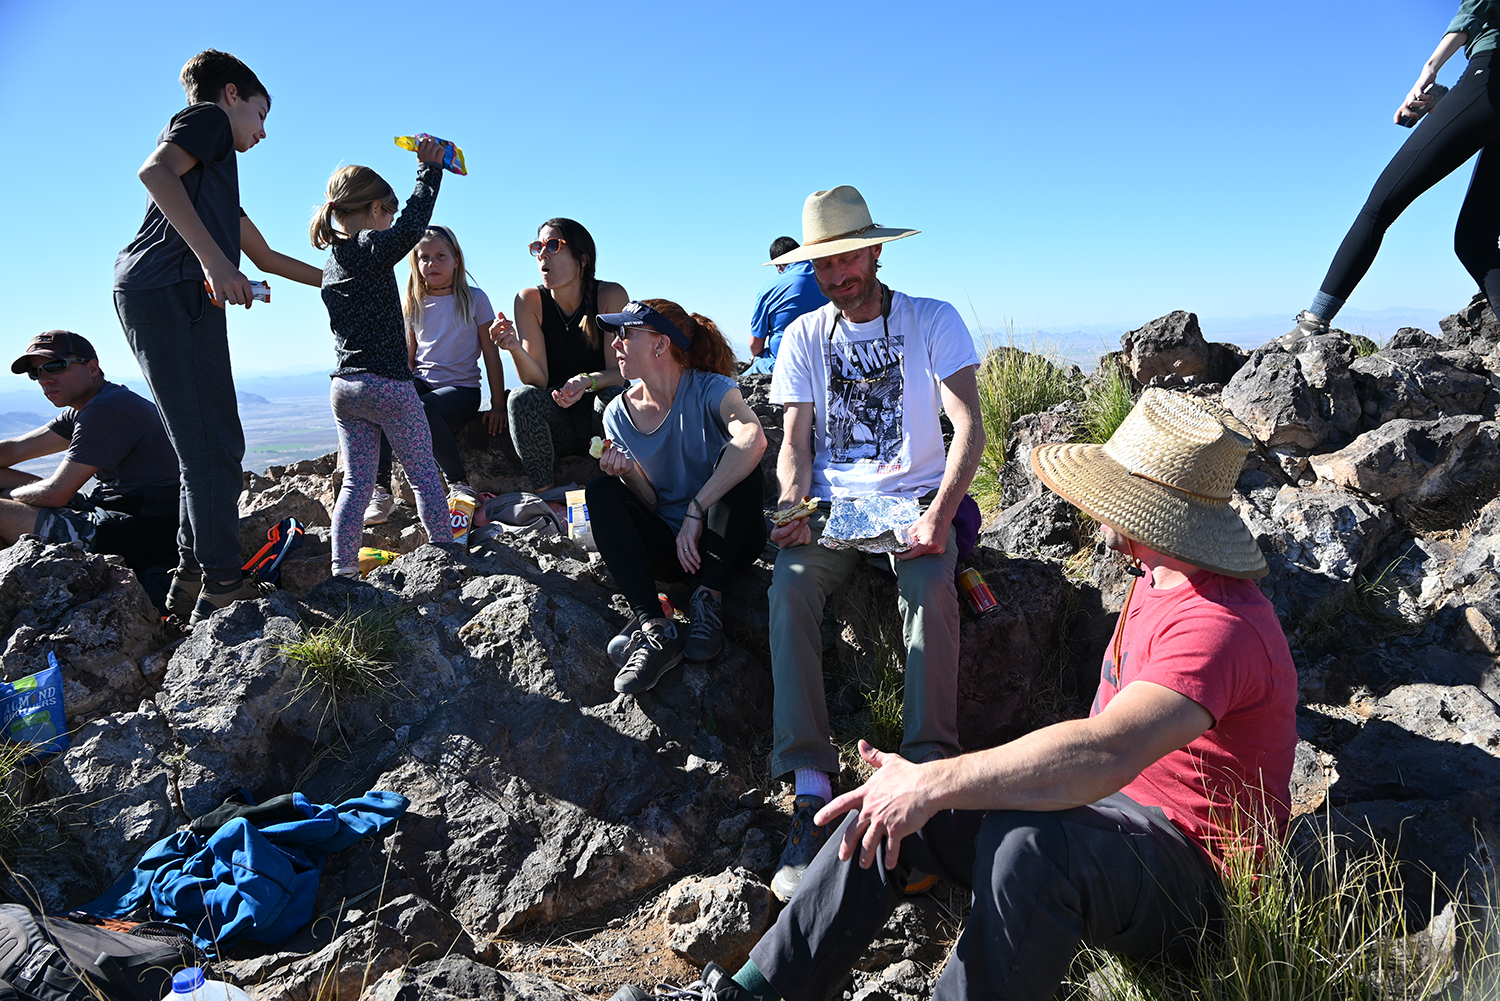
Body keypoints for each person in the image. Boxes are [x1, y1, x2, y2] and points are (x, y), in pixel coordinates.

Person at [612, 389, 1298, 1001]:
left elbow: (1107, 749)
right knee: (893, 802)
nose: (1095, 504)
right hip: (1112, 826)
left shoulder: (1219, 624)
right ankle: (757, 992)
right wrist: (922, 787)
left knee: (1028, 840)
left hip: (1197, 887)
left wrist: (942, 779)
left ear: (1155, 511)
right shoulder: (1159, 575)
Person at [760, 185, 984, 902]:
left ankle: (923, 780)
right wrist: (791, 507)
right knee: (790, 582)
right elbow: (794, 439)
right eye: (823, 265)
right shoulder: (801, 337)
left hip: (914, 499)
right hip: (835, 506)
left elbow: (969, 424)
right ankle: (810, 784)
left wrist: (940, 516)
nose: (836, 276)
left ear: (877, 248)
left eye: (847, 257)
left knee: (927, 586)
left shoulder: (931, 321)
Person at [113, 49, 324, 625]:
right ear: (231, 94)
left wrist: (341, 281)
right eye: (261, 114)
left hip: (173, 292)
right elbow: (153, 173)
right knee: (211, 444)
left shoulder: (211, 179)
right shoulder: (207, 121)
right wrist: (212, 263)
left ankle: (192, 578)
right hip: (168, 290)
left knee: (212, 444)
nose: (263, 132)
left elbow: (266, 256)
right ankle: (224, 583)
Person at [586, 299, 767, 693]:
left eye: (625, 334)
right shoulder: (616, 413)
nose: (615, 345)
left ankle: (708, 600)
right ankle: (655, 629)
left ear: (659, 344)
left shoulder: (710, 388)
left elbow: (754, 438)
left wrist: (697, 508)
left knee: (739, 459)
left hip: (728, 541)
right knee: (601, 490)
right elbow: (650, 502)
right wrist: (629, 473)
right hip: (673, 552)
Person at [1293, 3, 1500, 337]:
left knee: (1379, 206)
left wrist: (1429, 70)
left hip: (1490, 77)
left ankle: (1312, 325)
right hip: (1487, 93)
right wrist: (1449, 102)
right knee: (1477, 240)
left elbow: (1474, 11)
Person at [311, 141, 455, 579]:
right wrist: (429, 171)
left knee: (356, 485)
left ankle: (342, 572)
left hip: (345, 388)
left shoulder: (333, 260)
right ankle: (447, 556)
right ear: (375, 210)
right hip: (389, 385)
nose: (390, 223)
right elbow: (412, 227)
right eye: (386, 214)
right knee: (424, 475)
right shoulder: (369, 245)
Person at [0, 331, 180, 608]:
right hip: (116, 518)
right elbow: (14, 450)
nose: (45, 379)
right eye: (35, 373)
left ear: (92, 367)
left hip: (139, 534)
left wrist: (11, 495)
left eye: (55, 366)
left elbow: (55, 495)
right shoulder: (87, 407)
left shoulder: (107, 409)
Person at [364, 225, 505, 525]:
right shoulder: (414, 301)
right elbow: (409, 360)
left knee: (425, 410)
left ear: (456, 260)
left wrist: (498, 404)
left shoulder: (475, 299)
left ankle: (459, 485)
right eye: (424, 257)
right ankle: (381, 490)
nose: (432, 263)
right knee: (386, 399)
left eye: (441, 256)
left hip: (462, 390)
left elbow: (491, 356)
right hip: (424, 383)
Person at [494, 219, 630, 494]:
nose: (543, 254)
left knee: (614, 394)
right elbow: (538, 381)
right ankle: (548, 499)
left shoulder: (609, 295)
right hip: (559, 426)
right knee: (521, 398)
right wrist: (514, 348)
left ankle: (616, 487)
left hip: (599, 420)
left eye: (554, 245)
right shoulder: (529, 300)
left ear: (582, 257)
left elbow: (621, 371)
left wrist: (585, 381)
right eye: (538, 247)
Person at [745, 236, 828, 375]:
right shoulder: (827, 276)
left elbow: (755, 345)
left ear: (778, 265)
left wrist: (757, 356)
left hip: (786, 362)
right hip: (828, 357)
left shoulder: (769, 289)